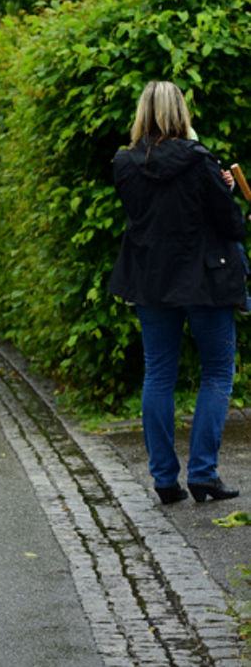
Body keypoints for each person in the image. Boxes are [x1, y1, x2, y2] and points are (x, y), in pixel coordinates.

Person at [109, 81, 243, 506]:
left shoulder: (124, 164)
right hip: (206, 279)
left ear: (142, 113)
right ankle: (203, 474)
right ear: (181, 111)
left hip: (151, 280)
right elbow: (229, 223)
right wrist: (229, 191)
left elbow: (148, 213)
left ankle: (165, 480)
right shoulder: (198, 158)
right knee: (218, 372)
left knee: (158, 373)